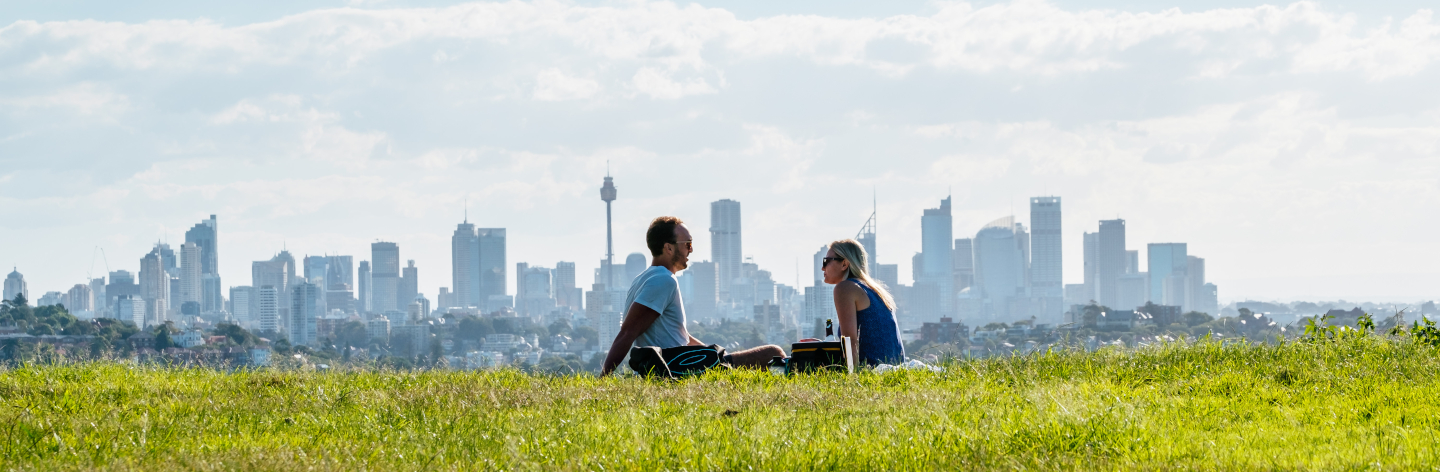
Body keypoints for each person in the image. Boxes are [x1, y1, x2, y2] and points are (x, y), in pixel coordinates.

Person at [599, 216, 786, 376]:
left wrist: (713, 355)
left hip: (683, 363)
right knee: (773, 354)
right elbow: (628, 332)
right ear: (669, 248)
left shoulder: (644, 279)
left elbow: (680, 338)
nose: (691, 250)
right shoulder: (663, 280)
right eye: (687, 244)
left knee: (745, 359)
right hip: (679, 369)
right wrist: (603, 379)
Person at [807, 239, 905, 366]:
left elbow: (850, 341)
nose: (822, 267)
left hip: (873, 370)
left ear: (844, 264)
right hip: (896, 368)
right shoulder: (874, 290)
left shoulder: (845, 288)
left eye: (827, 261)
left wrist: (852, 379)